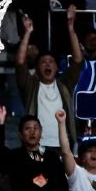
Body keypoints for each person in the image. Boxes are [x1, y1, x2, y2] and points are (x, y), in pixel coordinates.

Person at [14, 10, 83, 148]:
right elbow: (20, 62)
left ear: (57, 68)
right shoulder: (31, 85)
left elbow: (77, 60)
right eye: (43, 62)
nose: (47, 64)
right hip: (37, 146)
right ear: (37, 69)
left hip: (64, 145)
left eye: (51, 61)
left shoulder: (65, 84)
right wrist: (27, 32)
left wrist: (71, 29)